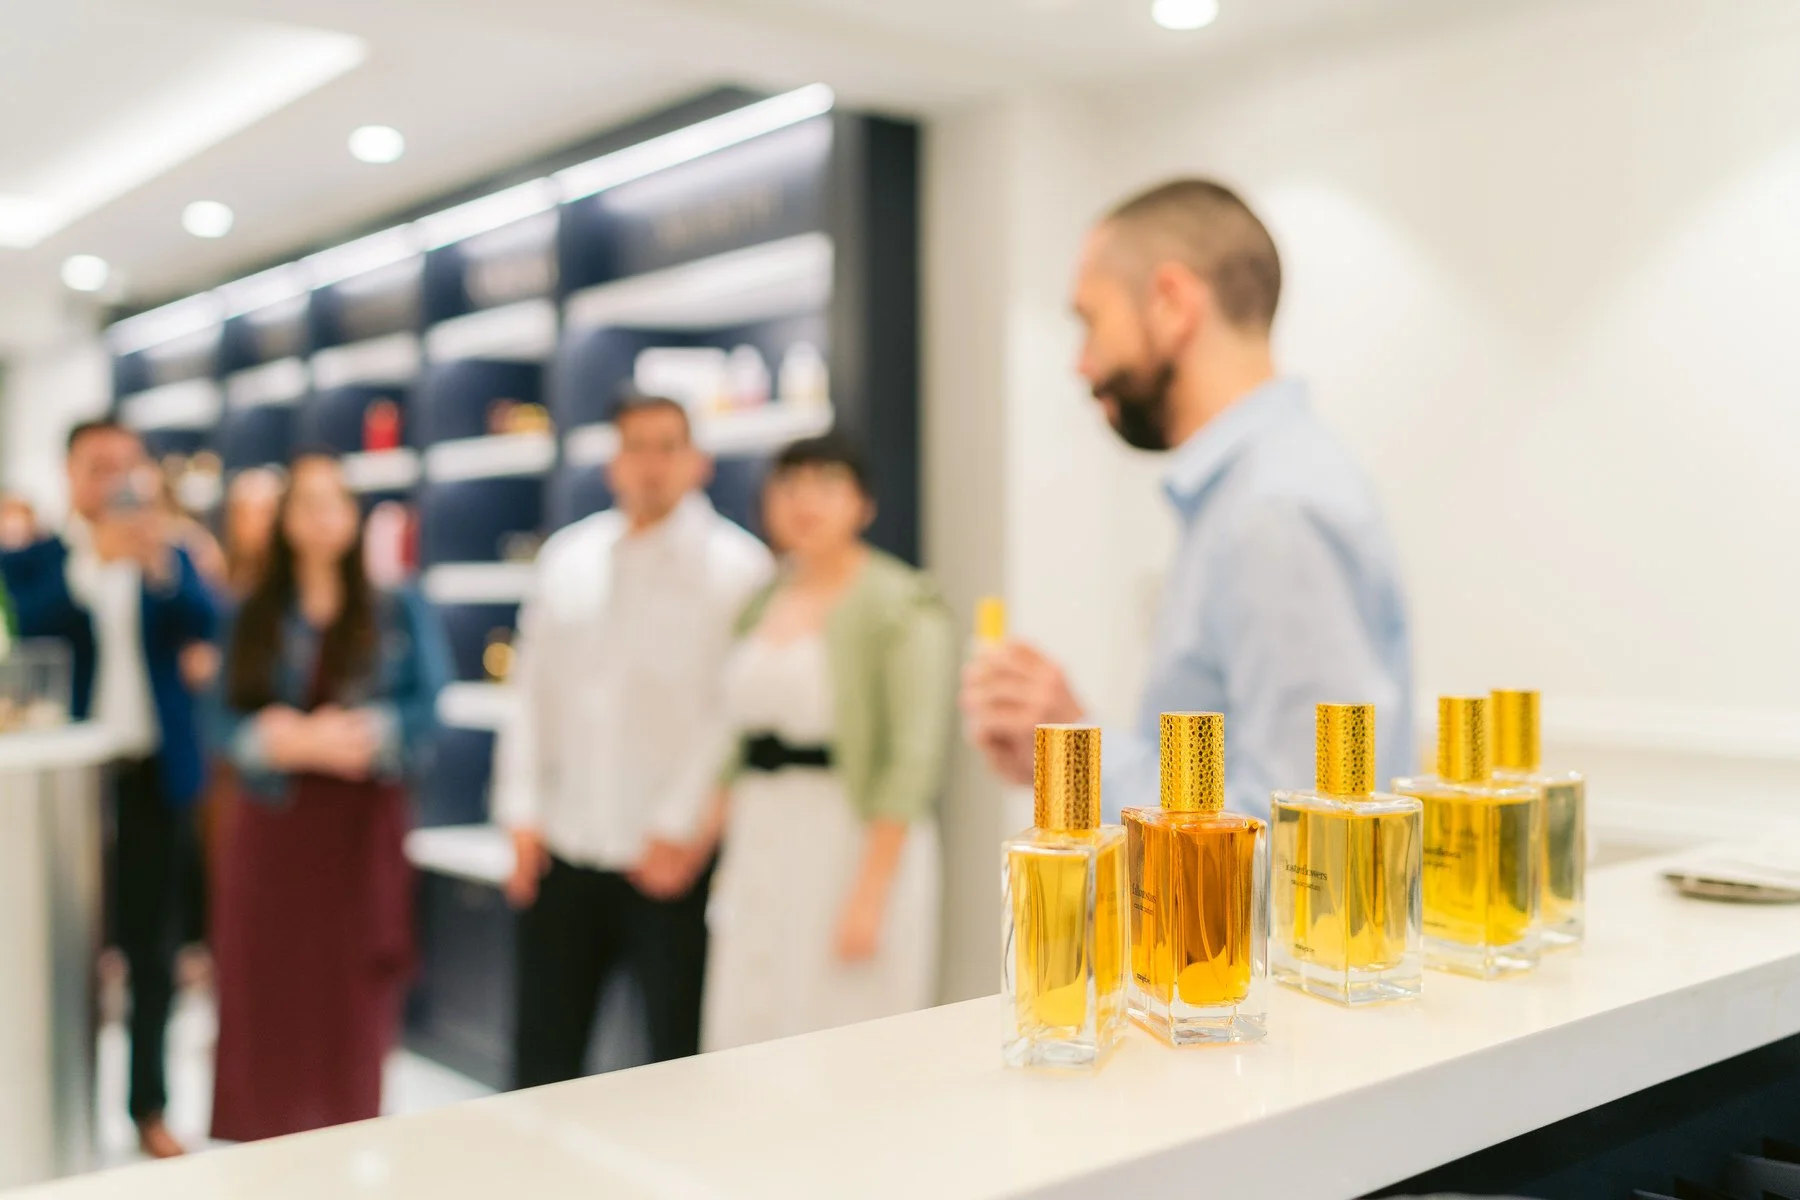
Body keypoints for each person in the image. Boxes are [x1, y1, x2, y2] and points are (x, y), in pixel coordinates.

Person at [961, 178, 1415, 820]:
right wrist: (1063, 760)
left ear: (1172, 303)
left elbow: (1301, 834)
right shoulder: (1250, 497)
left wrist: (1080, 752)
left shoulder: (1275, 510)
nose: (1080, 364)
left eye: (1091, 321)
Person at [494, 395, 772, 1087]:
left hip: (671, 860)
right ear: (613, 463)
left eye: (668, 446)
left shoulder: (739, 569)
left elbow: (733, 715)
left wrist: (685, 829)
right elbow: (532, 695)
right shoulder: (569, 557)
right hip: (567, 845)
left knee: (674, 1068)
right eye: (636, 447)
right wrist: (521, 813)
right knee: (542, 1059)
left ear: (698, 461)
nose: (652, 464)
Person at [208, 452, 449, 1141]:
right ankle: (260, 1152)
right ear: (284, 520)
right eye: (305, 503)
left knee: (350, 998)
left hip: (356, 833)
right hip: (274, 828)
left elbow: (429, 706)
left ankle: (345, 1146)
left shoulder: (395, 606)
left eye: (332, 502)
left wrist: (372, 734)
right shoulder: (251, 610)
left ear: (353, 515)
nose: (319, 518)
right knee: (266, 993)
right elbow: (217, 719)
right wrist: (275, 740)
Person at [0, 419, 218, 1159]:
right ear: (70, 475)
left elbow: (205, 623)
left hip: (152, 775)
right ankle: (50, 1101)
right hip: (62, 787)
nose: (116, 479)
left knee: (153, 950)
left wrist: (158, 565)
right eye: (99, 465)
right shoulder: (38, 560)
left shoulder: (171, 552)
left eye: (128, 464)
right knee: (58, 948)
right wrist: (93, 559)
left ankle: (147, 1107)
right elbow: (29, 628)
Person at [701, 436, 954, 1052]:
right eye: (789, 486)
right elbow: (738, 736)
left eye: (827, 485)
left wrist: (870, 893)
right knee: (753, 1018)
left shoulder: (900, 603)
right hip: (765, 835)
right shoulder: (762, 598)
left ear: (864, 504)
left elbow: (913, 756)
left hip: (850, 835)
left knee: (844, 1028)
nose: (805, 502)